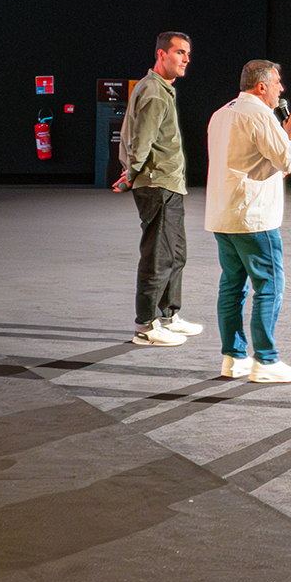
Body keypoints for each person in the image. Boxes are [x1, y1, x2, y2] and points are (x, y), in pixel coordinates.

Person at [205, 59, 291, 384]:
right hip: (253, 217)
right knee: (269, 285)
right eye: (277, 83)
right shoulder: (260, 115)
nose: (281, 89)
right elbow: (287, 158)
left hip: (223, 213)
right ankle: (265, 359)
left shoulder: (221, 114)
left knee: (232, 286)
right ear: (262, 87)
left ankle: (233, 357)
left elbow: (244, 160)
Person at [114, 31, 202, 348]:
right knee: (158, 257)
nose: (186, 59)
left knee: (176, 254)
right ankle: (145, 326)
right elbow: (141, 140)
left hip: (168, 183)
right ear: (161, 55)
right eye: (179, 52)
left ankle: (168, 316)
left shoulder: (159, 88)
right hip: (157, 184)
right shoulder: (153, 91)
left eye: (187, 53)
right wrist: (130, 174)